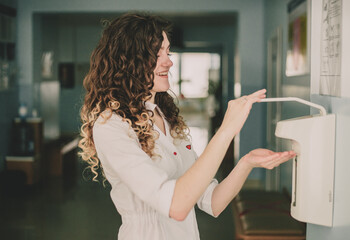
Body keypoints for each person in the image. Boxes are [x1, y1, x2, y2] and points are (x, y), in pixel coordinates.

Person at [78, 12, 296, 240]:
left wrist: (246, 162)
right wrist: (226, 130)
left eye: (168, 51)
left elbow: (212, 202)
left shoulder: (165, 117)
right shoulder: (111, 126)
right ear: (127, 60)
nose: (169, 61)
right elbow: (177, 206)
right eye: (156, 53)